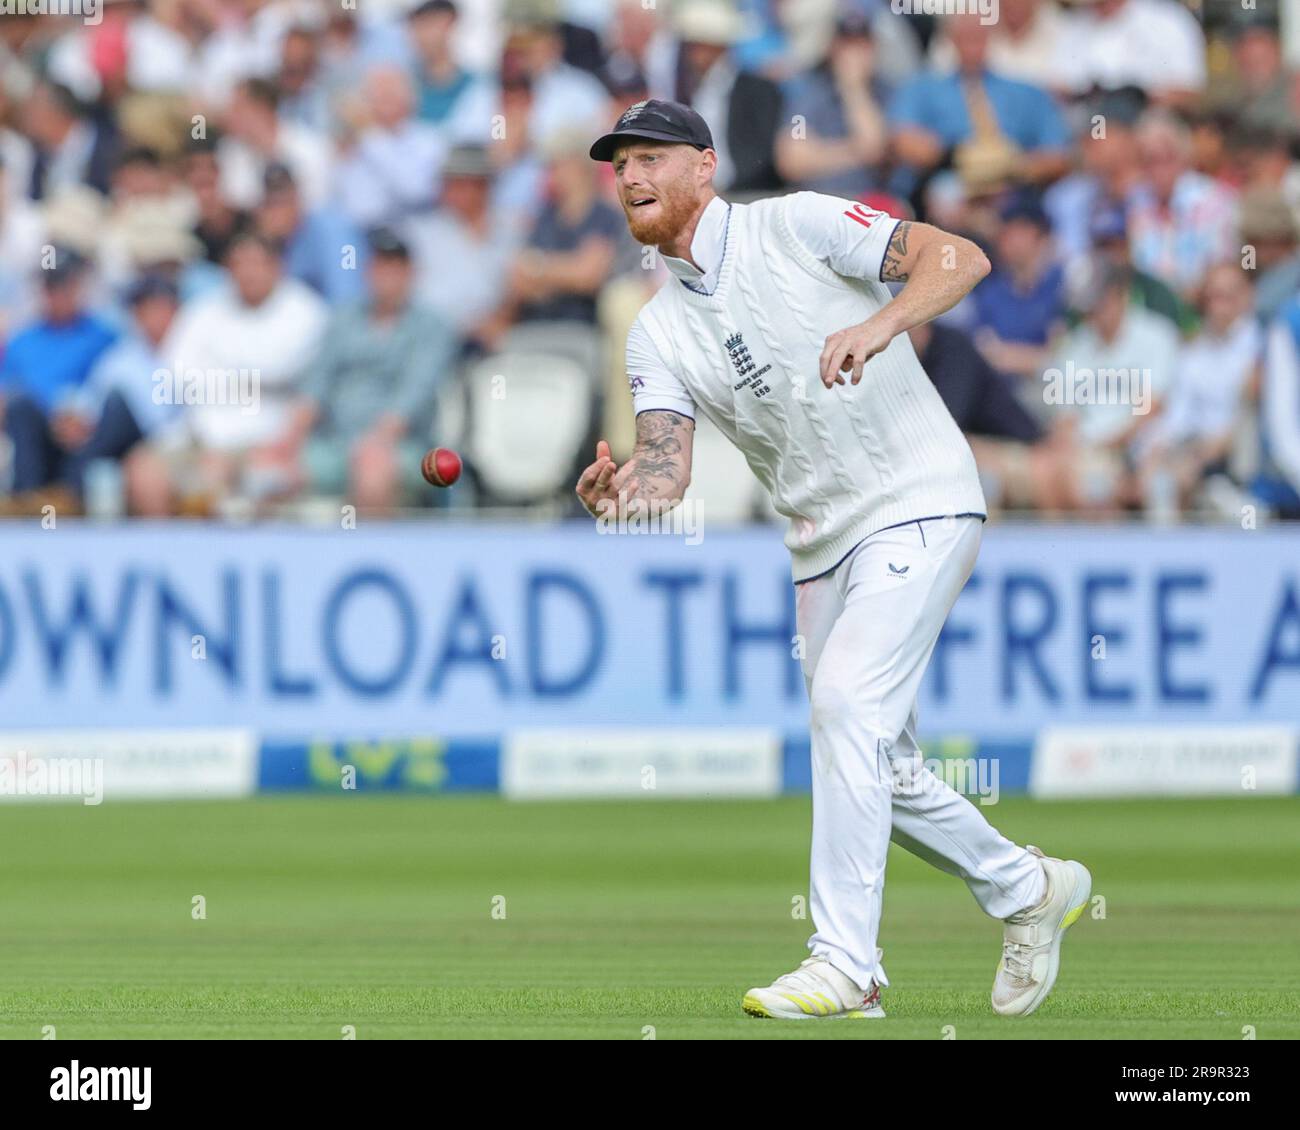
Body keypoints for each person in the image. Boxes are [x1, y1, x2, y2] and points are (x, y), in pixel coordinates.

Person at [576, 99, 1092, 1020]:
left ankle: (847, 966)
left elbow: (958, 257)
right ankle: (1027, 889)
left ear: (704, 166)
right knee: (878, 764)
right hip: (819, 546)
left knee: (846, 704)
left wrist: (882, 324)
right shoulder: (656, 330)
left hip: (920, 496)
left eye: (650, 156)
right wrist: (625, 499)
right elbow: (665, 464)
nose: (631, 176)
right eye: (618, 164)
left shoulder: (798, 222)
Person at [290, 228, 457, 513]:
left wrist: (377, 441)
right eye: (380, 266)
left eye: (395, 267)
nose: (386, 276)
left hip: (404, 446)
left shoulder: (432, 327)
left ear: (411, 273)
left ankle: (363, 556)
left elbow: (414, 394)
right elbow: (316, 383)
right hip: (335, 442)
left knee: (373, 472)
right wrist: (289, 439)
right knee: (267, 473)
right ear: (368, 271)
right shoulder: (343, 319)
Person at [0, 249, 117, 493]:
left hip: (85, 431)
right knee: (21, 407)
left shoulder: (104, 337)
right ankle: (27, 500)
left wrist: (81, 412)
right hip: (34, 434)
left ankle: (70, 499)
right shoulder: (22, 340)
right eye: (51, 287)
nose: (58, 295)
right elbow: (7, 394)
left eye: (65, 285)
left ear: (78, 287)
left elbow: (113, 387)